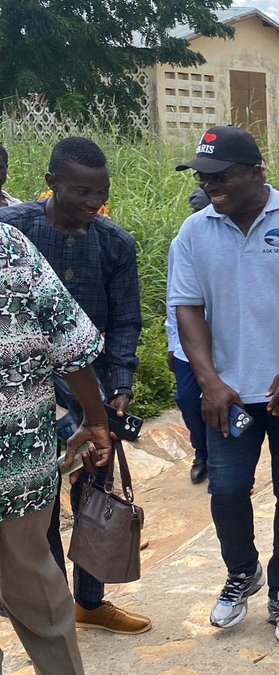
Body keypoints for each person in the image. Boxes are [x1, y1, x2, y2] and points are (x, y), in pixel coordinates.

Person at [170, 125, 279, 643]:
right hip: (230, 395)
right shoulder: (195, 231)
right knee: (225, 490)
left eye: (220, 177)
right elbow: (188, 309)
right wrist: (209, 382)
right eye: (203, 178)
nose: (210, 187)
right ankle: (242, 573)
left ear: (255, 171)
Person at [0, 137, 149, 635]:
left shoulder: (116, 243)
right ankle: (53, 609)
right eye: (81, 192)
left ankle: (90, 602)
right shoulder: (13, 233)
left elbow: (126, 322)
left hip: (93, 395)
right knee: (37, 511)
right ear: (50, 184)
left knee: (95, 499)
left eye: (100, 193)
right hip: (30, 398)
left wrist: (121, 386)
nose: (92, 203)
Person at [0, 222, 113, 675]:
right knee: (36, 587)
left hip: (17, 465)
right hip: (17, 463)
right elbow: (71, 342)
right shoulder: (9, 245)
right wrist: (96, 418)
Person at [166, 241, 210, 484]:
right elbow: (174, 296)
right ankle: (201, 453)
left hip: (225, 343)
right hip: (187, 344)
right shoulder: (184, 242)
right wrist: (172, 342)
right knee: (188, 399)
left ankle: (217, 459)